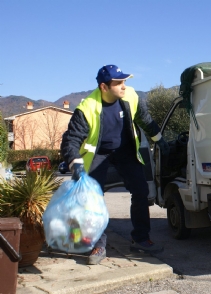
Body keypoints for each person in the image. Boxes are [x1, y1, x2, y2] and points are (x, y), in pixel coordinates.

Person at [61, 64, 169, 265]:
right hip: (98, 155)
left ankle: (141, 238)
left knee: (141, 191)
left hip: (125, 152)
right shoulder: (87, 108)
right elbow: (71, 140)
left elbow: (144, 119)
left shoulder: (130, 97)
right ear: (104, 87)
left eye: (125, 81)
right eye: (118, 83)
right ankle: (98, 244)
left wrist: (160, 140)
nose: (123, 86)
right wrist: (73, 161)